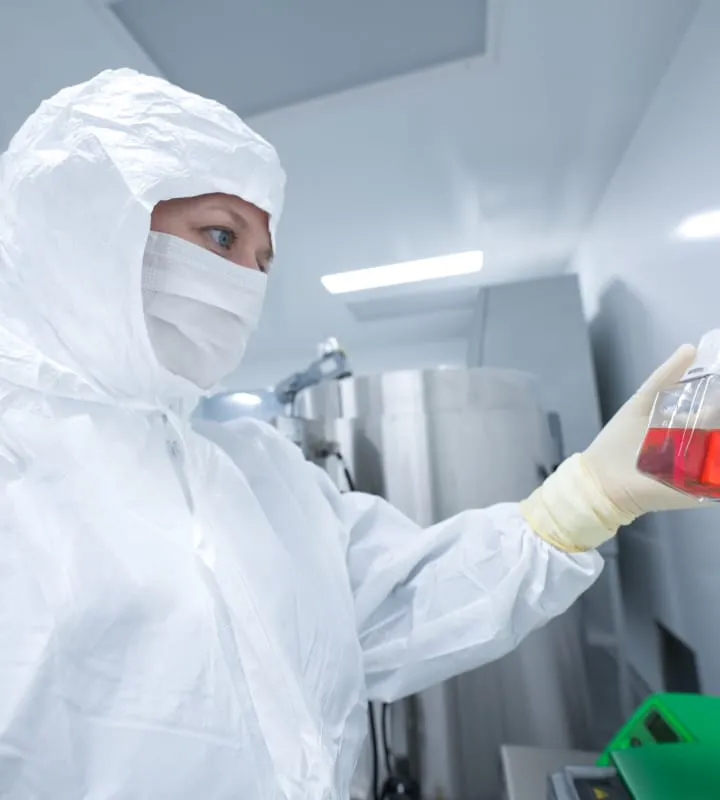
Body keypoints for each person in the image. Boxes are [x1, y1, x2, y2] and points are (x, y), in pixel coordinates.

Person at [0, 69, 700, 799]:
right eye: (220, 235)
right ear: (83, 220)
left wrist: (587, 498)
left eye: (261, 261)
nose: (246, 283)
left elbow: (405, 606)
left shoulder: (259, 476)